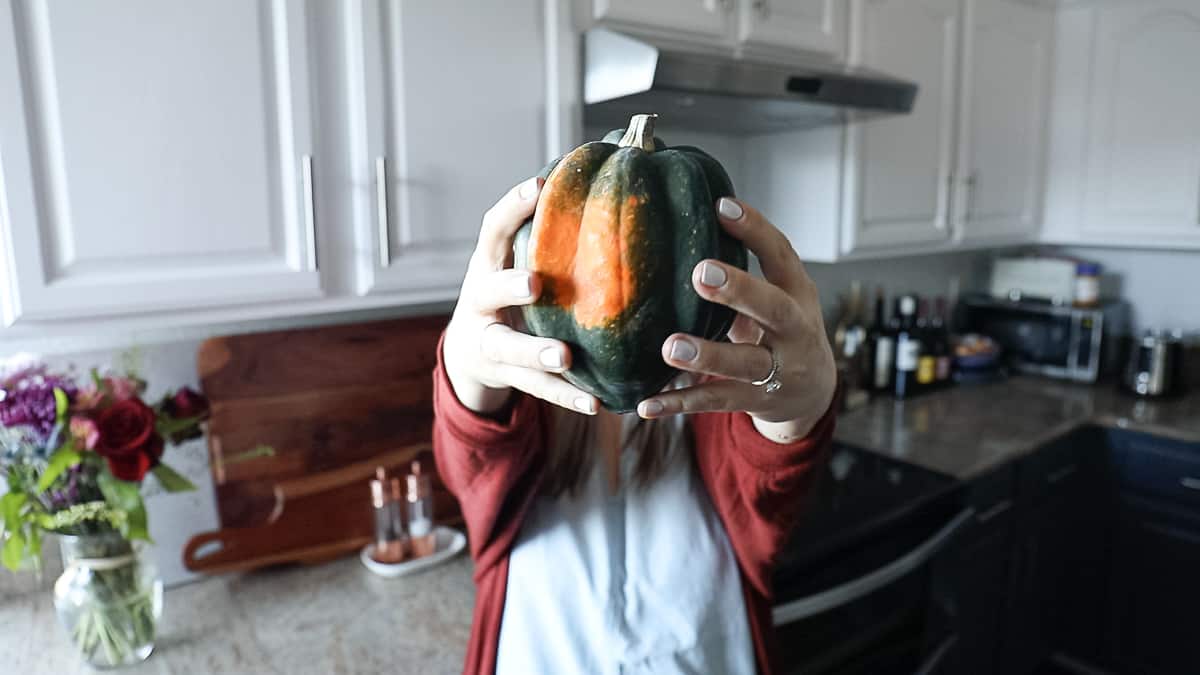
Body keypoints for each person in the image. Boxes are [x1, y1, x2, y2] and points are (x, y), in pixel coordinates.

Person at [433, 175, 838, 675]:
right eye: (598, 251)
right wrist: (462, 367)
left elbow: (770, 482)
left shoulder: (722, 366)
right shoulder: (526, 365)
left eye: (634, 247)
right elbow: (471, 455)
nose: (614, 272)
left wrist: (801, 408)